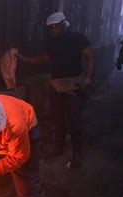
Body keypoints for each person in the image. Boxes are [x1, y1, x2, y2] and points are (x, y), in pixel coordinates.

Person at [19, 12, 94, 168]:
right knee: (57, 118)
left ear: (63, 24)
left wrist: (87, 78)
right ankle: (58, 147)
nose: (52, 30)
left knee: (73, 120)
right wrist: (24, 59)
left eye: (55, 27)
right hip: (56, 84)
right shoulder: (52, 41)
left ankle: (77, 154)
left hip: (73, 83)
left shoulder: (77, 38)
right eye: (50, 28)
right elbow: (45, 58)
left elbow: (89, 56)